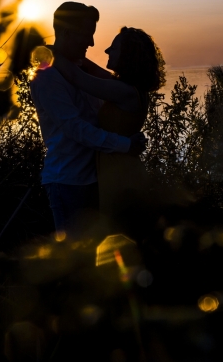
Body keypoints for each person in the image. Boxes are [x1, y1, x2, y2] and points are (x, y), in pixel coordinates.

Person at [29, 2, 147, 239]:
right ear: (65, 33)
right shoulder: (47, 76)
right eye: (87, 35)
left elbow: (92, 84)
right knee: (75, 261)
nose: (92, 43)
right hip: (69, 182)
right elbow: (76, 128)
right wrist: (125, 145)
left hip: (96, 180)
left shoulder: (81, 71)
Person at [52, 26, 166, 238]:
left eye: (113, 47)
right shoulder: (127, 87)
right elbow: (92, 71)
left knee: (121, 236)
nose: (106, 50)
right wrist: (72, 54)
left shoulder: (124, 91)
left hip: (121, 178)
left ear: (127, 55)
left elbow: (79, 79)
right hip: (119, 170)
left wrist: (49, 54)